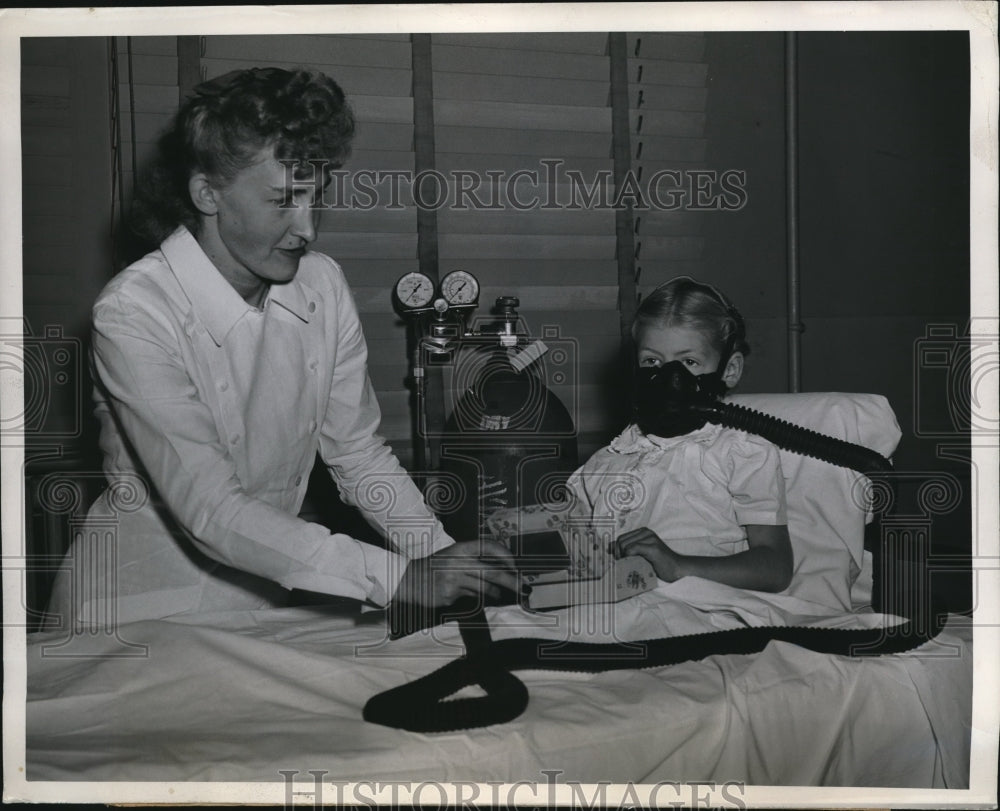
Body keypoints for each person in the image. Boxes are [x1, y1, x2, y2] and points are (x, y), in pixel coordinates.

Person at [45, 67, 516, 630]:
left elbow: (358, 455)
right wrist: (398, 578)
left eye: (316, 197)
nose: (308, 228)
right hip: (138, 612)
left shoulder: (321, 285)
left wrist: (437, 554)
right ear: (207, 193)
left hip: (265, 602)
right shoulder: (134, 312)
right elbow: (212, 510)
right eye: (283, 200)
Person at [564, 276, 793, 593]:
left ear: (730, 370)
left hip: (706, 611)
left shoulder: (742, 453)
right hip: (621, 607)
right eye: (652, 361)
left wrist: (677, 565)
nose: (669, 378)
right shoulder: (610, 459)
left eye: (689, 361)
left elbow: (776, 568)